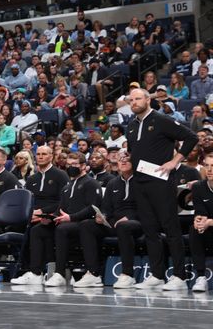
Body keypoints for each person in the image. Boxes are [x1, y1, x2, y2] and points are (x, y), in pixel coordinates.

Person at [127, 88, 198, 291]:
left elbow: (191, 137)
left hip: (161, 180)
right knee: (150, 230)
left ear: (148, 100)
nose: (134, 102)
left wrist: (174, 161)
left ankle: (180, 276)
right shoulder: (131, 126)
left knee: (170, 228)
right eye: (130, 100)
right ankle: (157, 275)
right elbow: (137, 151)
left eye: (138, 98)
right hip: (139, 181)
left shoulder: (161, 119)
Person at [13, 152, 100, 286]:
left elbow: (92, 208)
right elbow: (60, 209)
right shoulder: (67, 187)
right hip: (66, 221)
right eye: (69, 164)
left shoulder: (91, 183)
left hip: (83, 223)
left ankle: (60, 273)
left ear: (84, 166)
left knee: (62, 229)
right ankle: (35, 273)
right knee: (38, 230)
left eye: (75, 164)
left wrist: (70, 217)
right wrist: (50, 218)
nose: (71, 167)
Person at [75, 152, 141, 288]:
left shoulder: (142, 182)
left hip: (137, 221)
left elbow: (147, 207)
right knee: (86, 225)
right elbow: (106, 207)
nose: (122, 162)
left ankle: (127, 274)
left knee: (124, 226)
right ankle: (93, 274)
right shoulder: (113, 183)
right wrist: (102, 215)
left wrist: (129, 217)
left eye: (127, 159)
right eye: (120, 160)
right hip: (113, 222)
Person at [189, 153, 213, 293]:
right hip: (209, 233)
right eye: (207, 166)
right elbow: (200, 212)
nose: (209, 170)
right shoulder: (198, 187)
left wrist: (209, 222)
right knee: (194, 228)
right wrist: (199, 220)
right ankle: (201, 277)